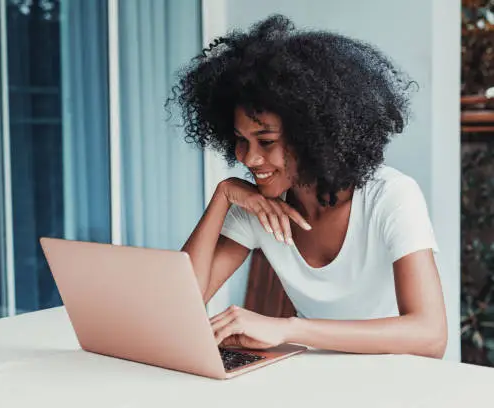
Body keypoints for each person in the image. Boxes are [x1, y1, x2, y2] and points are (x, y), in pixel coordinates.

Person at [166, 14, 448, 358]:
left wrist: (289, 328)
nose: (250, 159)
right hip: (311, 376)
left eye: (266, 141)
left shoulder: (390, 196)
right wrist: (222, 195)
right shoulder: (258, 208)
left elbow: (430, 336)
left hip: (392, 375)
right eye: (241, 140)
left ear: (313, 137)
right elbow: (179, 312)